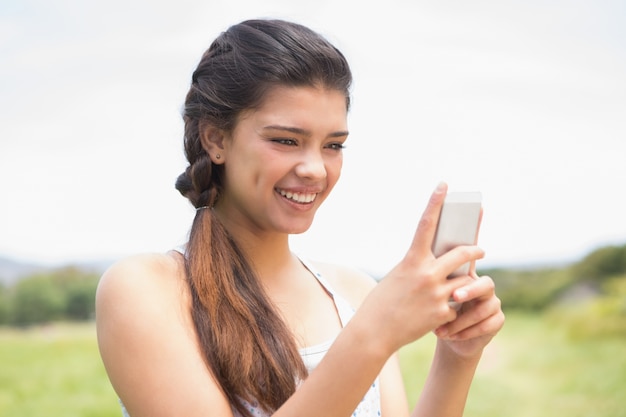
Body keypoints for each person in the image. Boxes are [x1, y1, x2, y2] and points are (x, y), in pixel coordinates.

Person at [95, 18, 504, 417]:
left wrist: (456, 357)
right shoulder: (145, 290)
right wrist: (374, 334)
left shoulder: (355, 292)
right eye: (286, 140)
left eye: (333, 145)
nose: (315, 169)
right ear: (216, 138)